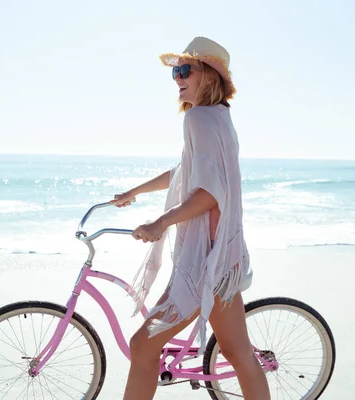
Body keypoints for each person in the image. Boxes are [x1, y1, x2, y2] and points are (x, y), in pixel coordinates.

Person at [111, 37, 271, 400]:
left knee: (142, 346)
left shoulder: (199, 117)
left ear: (209, 76)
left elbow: (209, 193)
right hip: (224, 258)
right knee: (239, 354)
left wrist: (161, 222)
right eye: (175, 71)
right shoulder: (220, 118)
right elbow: (187, 172)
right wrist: (136, 192)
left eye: (186, 70)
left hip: (204, 263)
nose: (178, 78)